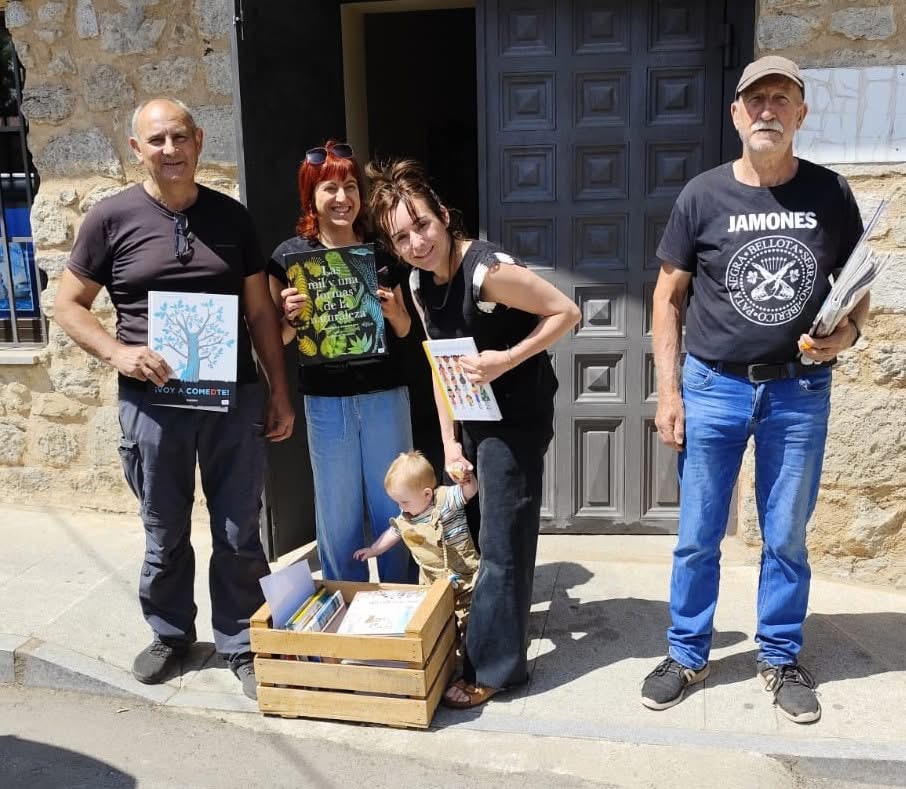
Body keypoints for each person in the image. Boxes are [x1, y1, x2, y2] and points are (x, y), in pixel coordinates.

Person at [641, 56, 869, 724]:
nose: (768, 109)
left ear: (801, 113)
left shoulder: (831, 194)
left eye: (782, 98)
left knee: (786, 535)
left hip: (799, 392)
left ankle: (779, 655)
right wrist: (669, 393)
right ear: (736, 113)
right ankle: (687, 653)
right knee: (697, 533)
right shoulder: (702, 195)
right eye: (756, 99)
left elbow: (859, 287)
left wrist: (848, 334)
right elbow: (666, 297)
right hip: (712, 386)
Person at [54, 98, 294, 700]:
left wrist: (278, 390)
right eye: (156, 140)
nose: (170, 150)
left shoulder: (232, 218)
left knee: (239, 530)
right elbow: (68, 306)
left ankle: (241, 641)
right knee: (164, 528)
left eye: (179, 137)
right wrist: (117, 352)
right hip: (152, 405)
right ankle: (170, 634)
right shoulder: (110, 219)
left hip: (232, 400)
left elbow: (259, 311)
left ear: (199, 140)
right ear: (137, 149)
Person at [367, 158, 581, 709]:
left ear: (443, 215)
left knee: (504, 543)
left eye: (422, 225)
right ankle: (487, 633)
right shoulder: (419, 282)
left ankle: (494, 669)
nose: (417, 243)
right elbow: (440, 363)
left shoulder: (487, 271)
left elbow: (565, 312)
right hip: (473, 417)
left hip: (517, 418)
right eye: (402, 237)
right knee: (480, 535)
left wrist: (505, 359)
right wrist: (449, 443)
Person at [268, 141, 418, 584]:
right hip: (326, 401)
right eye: (329, 188)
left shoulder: (382, 253)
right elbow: (277, 339)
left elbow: (406, 330)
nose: (342, 197)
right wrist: (289, 318)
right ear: (311, 196)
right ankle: (344, 597)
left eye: (350, 186)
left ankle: (401, 598)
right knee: (337, 510)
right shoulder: (289, 258)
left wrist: (395, 313)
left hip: (384, 394)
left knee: (398, 498)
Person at [354, 451, 479, 635]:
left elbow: (470, 491)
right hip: (431, 579)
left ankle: (471, 642)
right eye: (397, 502)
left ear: (427, 494)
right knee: (436, 620)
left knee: (472, 617)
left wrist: (466, 478)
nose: (400, 507)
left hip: (464, 576)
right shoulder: (406, 517)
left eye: (404, 502)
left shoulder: (446, 500)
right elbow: (393, 532)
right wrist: (374, 549)